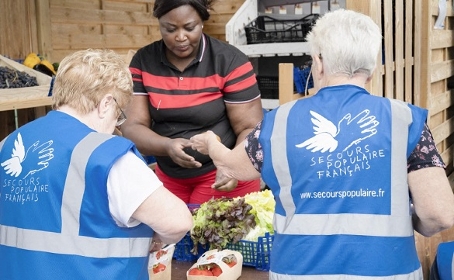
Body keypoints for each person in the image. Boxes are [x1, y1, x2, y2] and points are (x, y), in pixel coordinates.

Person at [189, 9, 454, 279]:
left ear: (319, 62)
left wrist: (211, 142)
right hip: (388, 271)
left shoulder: (279, 121)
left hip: (298, 271)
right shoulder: (405, 121)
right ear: (372, 68)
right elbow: (440, 214)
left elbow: (233, 167)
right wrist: (410, 221)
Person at [0, 49, 193, 280]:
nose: (115, 125)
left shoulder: (6, 145)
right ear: (106, 104)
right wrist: (158, 237)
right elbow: (178, 222)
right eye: (119, 114)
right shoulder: (108, 155)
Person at [120, 0, 264, 204]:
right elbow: (132, 126)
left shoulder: (229, 61)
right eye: (170, 29)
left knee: (207, 233)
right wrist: (167, 145)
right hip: (169, 177)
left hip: (222, 175)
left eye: (190, 27)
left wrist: (231, 166)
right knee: (171, 233)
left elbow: (251, 126)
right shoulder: (144, 61)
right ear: (160, 23)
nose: (180, 37)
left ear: (202, 22)